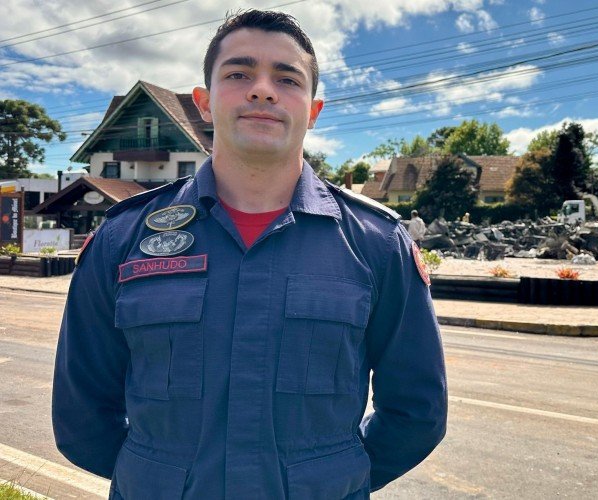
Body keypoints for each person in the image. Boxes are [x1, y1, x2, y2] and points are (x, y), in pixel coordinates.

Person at [52, 10, 447, 499]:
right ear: (203, 103)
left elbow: (416, 412)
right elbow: (81, 415)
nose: (262, 90)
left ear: (314, 110)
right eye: (239, 74)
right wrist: (154, 477)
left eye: (287, 78)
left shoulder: (377, 244)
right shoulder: (121, 240)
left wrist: (334, 479)